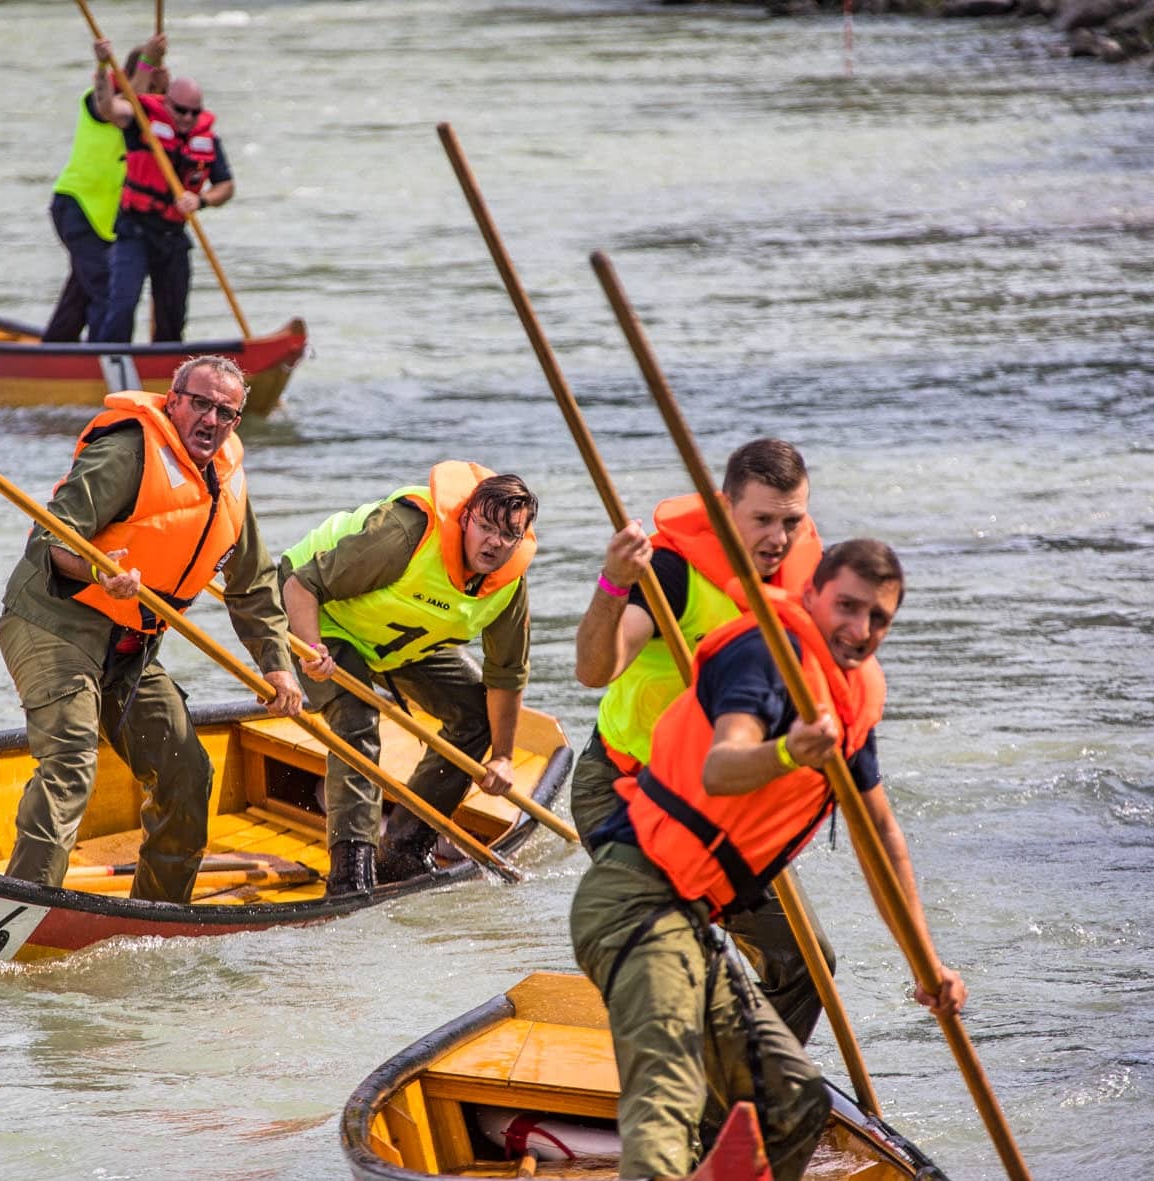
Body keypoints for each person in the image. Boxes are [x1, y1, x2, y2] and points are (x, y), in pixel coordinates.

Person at [569, 540, 967, 1181]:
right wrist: (790, 754)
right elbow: (723, 766)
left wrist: (927, 960)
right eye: (847, 607)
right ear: (811, 595)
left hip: (692, 916)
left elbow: (882, 839)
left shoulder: (849, 699)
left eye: (880, 619)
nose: (861, 630)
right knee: (664, 1100)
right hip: (634, 903)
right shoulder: (761, 651)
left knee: (793, 1108)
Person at [0, 355, 302, 902]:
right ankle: (18, 908)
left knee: (188, 774)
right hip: (55, 624)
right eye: (200, 404)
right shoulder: (127, 451)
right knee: (70, 761)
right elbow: (51, 541)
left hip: (130, 648)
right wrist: (99, 571)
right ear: (173, 400)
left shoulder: (228, 480)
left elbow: (252, 584)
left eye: (225, 412)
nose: (210, 420)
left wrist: (278, 668)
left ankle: (158, 913)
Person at [572, 439, 831, 1046]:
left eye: (792, 521)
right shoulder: (672, 575)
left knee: (809, 965)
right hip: (625, 794)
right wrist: (613, 584)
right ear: (724, 511)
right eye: (761, 519)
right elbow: (594, 670)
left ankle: (746, 1101)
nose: (778, 538)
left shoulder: (805, 582)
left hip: (723, 805)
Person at [280, 463, 538, 894]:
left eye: (508, 535)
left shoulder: (508, 584)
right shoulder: (406, 534)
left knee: (478, 716)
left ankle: (403, 847)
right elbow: (302, 585)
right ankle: (350, 873)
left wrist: (504, 757)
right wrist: (312, 652)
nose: (494, 543)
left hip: (396, 640)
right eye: (485, 527)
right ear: (465, 518)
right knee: (356, 719)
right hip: (324, 619)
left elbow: (506, 676)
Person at [95, 41, 233, 344]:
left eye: (193, 113)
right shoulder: (141, 121)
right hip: (135, 231)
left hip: (172, 235)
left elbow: (226, 186)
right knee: (122, 305)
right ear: (166, 102)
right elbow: (107, 107)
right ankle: (108, 364)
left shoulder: (207, 139)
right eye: (180, 110)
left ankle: (169, 372)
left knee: (172, 315)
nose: (186, 118)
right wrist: (105, 66)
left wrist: (201, 200)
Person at [42, 36, 171, 343]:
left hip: (108, 220)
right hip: (77, 207)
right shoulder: (99, 101)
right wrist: (148, 63)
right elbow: (126, 106)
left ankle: (54, 349)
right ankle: (102, 362)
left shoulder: (152, 114)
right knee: (107, 289)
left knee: (82, 290)